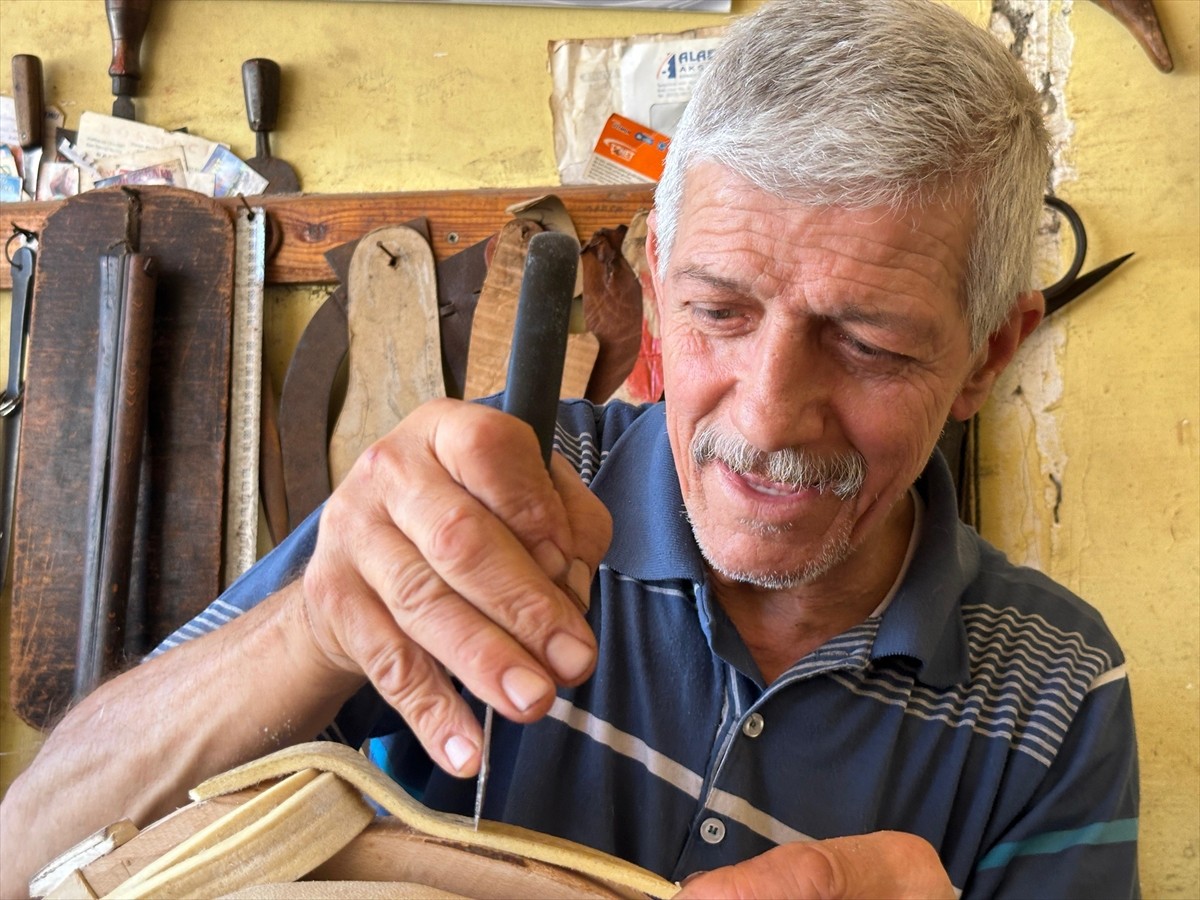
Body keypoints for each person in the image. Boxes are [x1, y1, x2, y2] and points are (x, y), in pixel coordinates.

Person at [1, 0, 1139, 897]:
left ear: (990, 355)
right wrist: (314, 625)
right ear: (648, 288)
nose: (767, 416)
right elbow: (26, 856)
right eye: (720, 312)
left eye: (871, 344)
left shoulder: (1054, 688)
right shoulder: (479, 509)